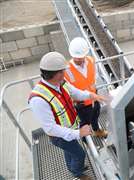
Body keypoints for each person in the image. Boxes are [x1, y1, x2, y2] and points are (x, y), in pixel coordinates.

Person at [29, 52, 106, 180]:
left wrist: (92, 95)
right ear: (56, 74)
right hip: (59, 136)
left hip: (70, 129)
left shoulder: (61, 83)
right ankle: (77, 173)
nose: (65, 74)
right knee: (80, 154)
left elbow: (75, 93)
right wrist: (79, 133)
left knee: (69, 151)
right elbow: (50, 128)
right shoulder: (38, 99)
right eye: (62, 71)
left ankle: (72, 167)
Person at [64, 37, 107, 138]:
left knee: (95, 116)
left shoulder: (91, 61)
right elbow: (66, 89)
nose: (78, 59)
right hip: (81, 104)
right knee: (84, 123)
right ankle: (86, 140)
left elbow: (95, 76)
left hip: (94, 99)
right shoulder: (66, 69)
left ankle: (96, 130)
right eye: (76, 57)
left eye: (81, 57)